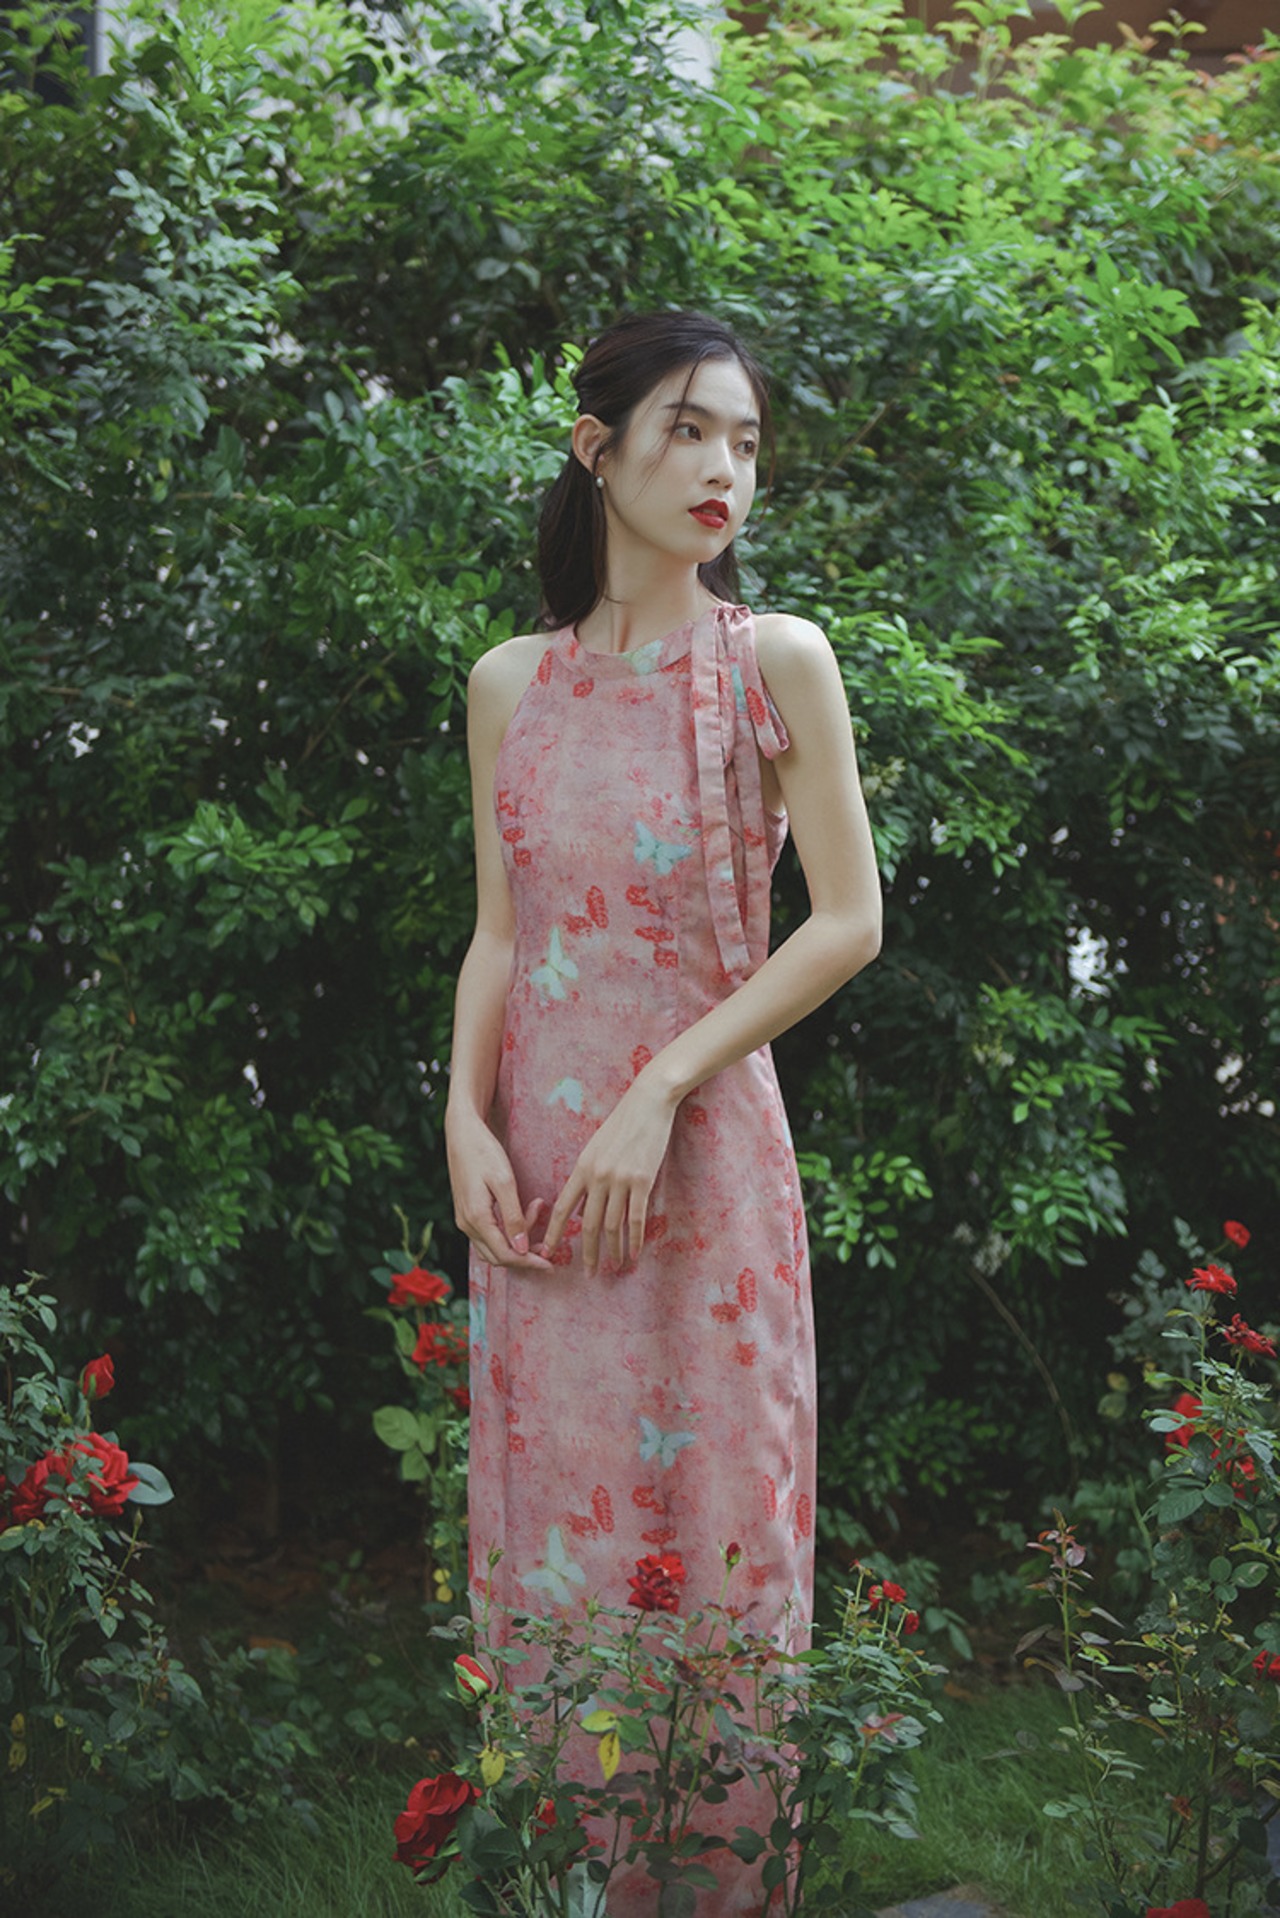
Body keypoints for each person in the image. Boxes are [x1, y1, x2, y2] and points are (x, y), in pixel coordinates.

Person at [445, 310, 881, 1913]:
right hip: (543, 1191)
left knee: (716, 1550)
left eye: (747, 442)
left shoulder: (774, 660)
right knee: (556, 1559)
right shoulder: (510, 683)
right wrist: (463, 1118)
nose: (723, 469)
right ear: (597, 447)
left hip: (703, 1180)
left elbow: (848, 921)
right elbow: (503, 933)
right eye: (689, 430)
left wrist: (660, 1083)